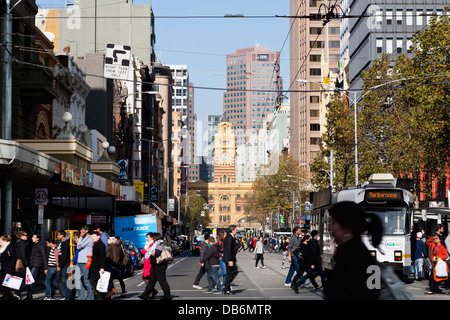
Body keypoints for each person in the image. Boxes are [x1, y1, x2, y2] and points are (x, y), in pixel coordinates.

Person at [323, 201, 383, 300]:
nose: (330, 228)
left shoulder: (353, 257)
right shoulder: (359, 253)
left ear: (347, 228)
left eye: (333, 223)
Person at [138, 233, 171, 300]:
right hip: (154, 265)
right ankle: (145, 295)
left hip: (160, 265)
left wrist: (149, 251)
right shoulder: (155, 244)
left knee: (162, 281)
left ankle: (167, 296)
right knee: (151, 282)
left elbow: (157, 254)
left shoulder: (160, 244)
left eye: (153, 237)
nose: (152, 239)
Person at [75, 225, 94, 300]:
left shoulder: (89, 238)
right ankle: (81, 296)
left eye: (82, 230)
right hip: (80, 261)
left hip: (85, 261)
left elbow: (79, 246)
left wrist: (80, 237)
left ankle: (90, 297)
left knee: (86, 280)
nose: (81, 231)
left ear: (86, 231)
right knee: (76, 278)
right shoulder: (84, 238)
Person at [27, 233, 47, 300]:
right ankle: (50, 288)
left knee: (31, 281)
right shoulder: (34, 245)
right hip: (34, 265)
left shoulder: (40, 246)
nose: (32, 238)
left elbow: (44, 257)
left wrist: (45, 268)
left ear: (37, 239)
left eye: (33, 237)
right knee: (39, 280)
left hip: (37, 265)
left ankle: (29, 296)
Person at [89, 231, 107, 300]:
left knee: (94, 281)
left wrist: (102, 267)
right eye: (92, 236)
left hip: (98, 266)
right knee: (94, 281)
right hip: (94, 266)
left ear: (98, 237)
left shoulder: (101, 245)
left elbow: (103, 257)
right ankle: (98, 295)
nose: (92, 238)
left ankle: (99, 296)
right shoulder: (95, 244)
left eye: (94, 236)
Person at [222, 225, 238, 294]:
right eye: (235, 230)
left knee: (234, 271)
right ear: (232, 230)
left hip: (230, 258)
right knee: (230, 273)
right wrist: (230, 260)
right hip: (229, 258)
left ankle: (226, 287)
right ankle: (226, 288)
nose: (236, 231)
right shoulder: (229, 238)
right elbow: (228, 249)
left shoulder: (230, 237)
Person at [0, 235, 17, 300]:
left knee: (4, 285)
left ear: (5, 241)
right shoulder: (3, 248)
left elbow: (12, 260)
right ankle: (9, 297)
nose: (0, 243)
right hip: (3, 269)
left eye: (1, 242)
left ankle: (7, 297)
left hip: (8, 270)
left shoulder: (10, 248)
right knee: (4, 285)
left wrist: (10, 272)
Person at [14, 230, 29, 300]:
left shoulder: (17, 242)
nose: (27, 236)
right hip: (22, 264)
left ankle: (16, 293)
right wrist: (26, 265)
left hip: (17, 263)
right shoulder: (23, 243)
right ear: (21, 236)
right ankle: (17, 293)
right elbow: (23, 255)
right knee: (25, 280)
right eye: (25, 235)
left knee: (19, 279)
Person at [56, 230, 71, 300]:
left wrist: (60, 265)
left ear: (62, 235)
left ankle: (67, 296)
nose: (57, 236)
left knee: (65, 280)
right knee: (58, 278)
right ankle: (65, 294)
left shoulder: (65, 243)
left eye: (58, 235)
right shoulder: (62, 243)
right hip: (61, 264)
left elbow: (64, 256)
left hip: (64, 264)